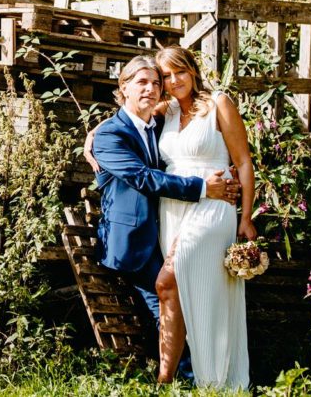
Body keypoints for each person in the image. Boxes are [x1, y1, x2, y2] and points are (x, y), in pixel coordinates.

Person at [88, 55, 240, 372]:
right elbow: (144, 178)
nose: (151, 88)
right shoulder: (110, 136)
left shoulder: (160, 123)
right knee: (169, 297)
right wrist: (201, 187)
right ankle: (186, 376)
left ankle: (205, 371)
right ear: (124, 87)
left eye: (156, 82)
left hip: (173, 226)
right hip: (134, 240)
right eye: (141, 82)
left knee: (195, 291)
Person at [154, 45, 255, 388]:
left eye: (178, 72)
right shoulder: (165, 111)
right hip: (174, 207)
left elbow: (243, 161)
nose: (173, 81)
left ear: (192, 71)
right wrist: (92, 136)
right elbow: (128, 112)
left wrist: (246, 216)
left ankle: (206, 377)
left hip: (213, 206)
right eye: (166, 76)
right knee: (187, 289)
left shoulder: (218, 104)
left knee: (167, 280)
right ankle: (187, 378)